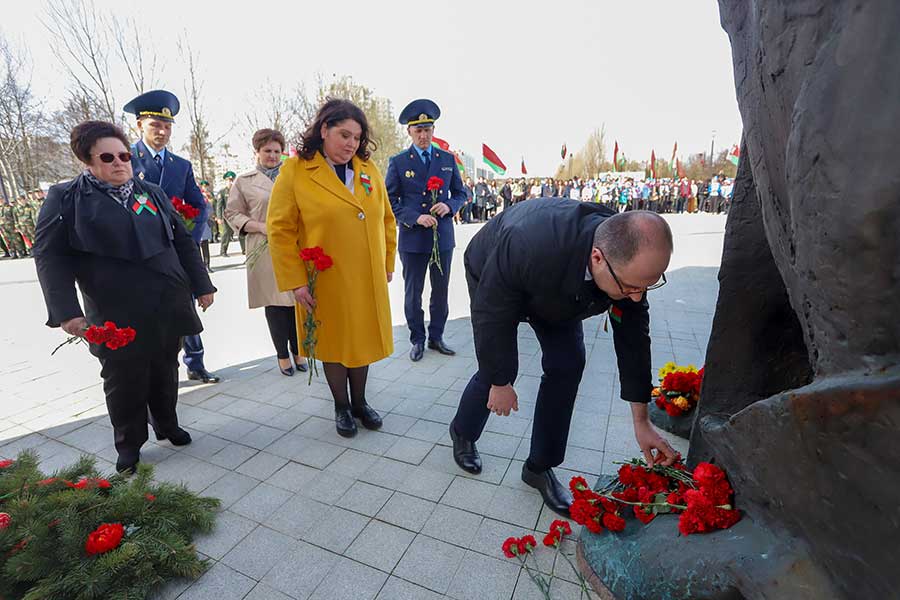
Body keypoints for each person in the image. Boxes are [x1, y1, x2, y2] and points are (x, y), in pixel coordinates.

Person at [449, 199, 677, 516]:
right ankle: (463, 432)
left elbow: (634, 339)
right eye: (631, 287)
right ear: (597, 257)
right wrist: (500, 380)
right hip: (496, 270)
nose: (637, 296)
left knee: (567, 364)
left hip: (560, 287)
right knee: (496, 366)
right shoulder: (527, 243)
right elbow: (491, 316)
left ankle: (539, 467)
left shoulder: (624, 255)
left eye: (647, 286)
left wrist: (641, 419)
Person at [33, 121, 215, 473]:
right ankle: (129, 443)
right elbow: (49, 256)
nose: (119, 163)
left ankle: (166, 424)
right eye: (108, 156)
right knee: (123, 378)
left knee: (165, 367)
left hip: (166, 298)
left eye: (124, 155)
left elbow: (181, 241)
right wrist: (66, 312)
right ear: (88, 160)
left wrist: (202, 284)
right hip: (114, 307)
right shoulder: (66, 198)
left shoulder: (150, 193)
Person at [267, 99, 395, 438]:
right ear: (324, 130)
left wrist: (386, 263)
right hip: (325, 276)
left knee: (362, 339)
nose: (351, 143)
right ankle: (341, 405)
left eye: (357, 136)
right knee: (335, 341)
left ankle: (361, 402)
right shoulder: (295, 171)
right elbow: (280, 230)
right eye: (343, 134)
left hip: (366, 276)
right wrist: (295, 281)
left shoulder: (368, 170)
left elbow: (386, 219)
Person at [124, 89, 220, 384]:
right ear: (139, 125)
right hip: (139, 252)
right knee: (146, 310)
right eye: (156, 125)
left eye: (167, 126)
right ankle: (154, 366)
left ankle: (195, 362)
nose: (163, 132)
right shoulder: (126, 160)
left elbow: (199, 206)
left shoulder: (181, 165)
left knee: (185, 305)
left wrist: (188, 238)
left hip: (176, 251)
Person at [385, 99, 465, 362]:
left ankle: (436, 336)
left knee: (440, 291)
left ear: (434, 131)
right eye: (418, 130)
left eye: (428, 129)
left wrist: (449, 205)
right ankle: (417, 339)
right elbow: (390, 200)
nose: (423, 135)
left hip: (441, 237)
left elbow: (461, 193)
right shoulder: (398, 162)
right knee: (413, 293)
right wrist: (415, 217)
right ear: (409, 132)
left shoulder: (446, 159)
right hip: (413, 239)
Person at [225, 128, 309, 376]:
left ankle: (299, 350)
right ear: (257, 152)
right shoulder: (244, 181)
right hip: (264, 248)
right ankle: (282, 355)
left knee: (296, 299)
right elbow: (232, 213)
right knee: (274, 303)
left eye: (277, 151)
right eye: (267, 151)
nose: (273, 156)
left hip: (293, 246)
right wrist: (260, 226)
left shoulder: (293, 175)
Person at [216, 171, 243, 257]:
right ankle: (223, 251)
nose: (230, 182)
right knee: (226, 233)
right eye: (229, 180)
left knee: (241, 232)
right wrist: (219, 217)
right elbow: (219, 206)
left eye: (232, 180)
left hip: (237, 215)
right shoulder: (222, 192)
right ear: (226, 181)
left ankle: (244, 250)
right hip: (227, 217)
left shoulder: (238, 191)